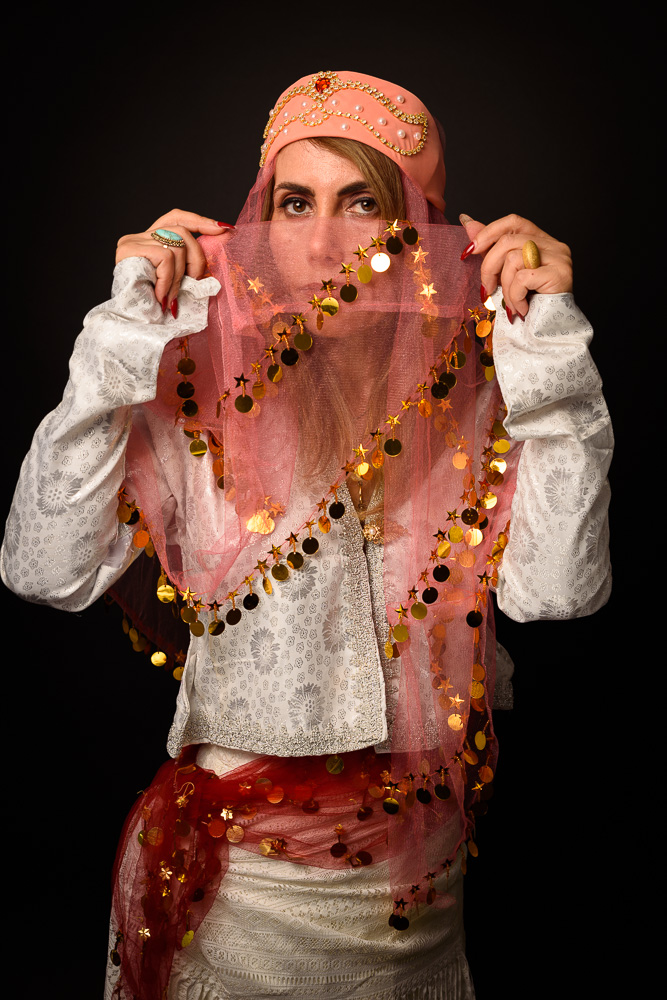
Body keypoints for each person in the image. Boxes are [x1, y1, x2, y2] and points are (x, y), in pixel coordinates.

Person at [1, 70, 612, 999]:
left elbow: (557, 594)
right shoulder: (187, 388)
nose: (323, 243)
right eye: (294, 203)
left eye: (363, 203)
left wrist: (550, 343)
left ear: (420, 227)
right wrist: (121, 335)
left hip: (415, 906)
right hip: (234, 901)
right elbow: (43, 569)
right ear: (261, 219)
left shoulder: (492, 390)